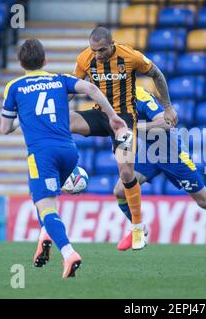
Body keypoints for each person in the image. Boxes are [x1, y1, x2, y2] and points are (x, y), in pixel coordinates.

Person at [1, 38, 127, 278]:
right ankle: (44, 235)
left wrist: (23, 115)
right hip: (69, 152)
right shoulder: (58, 79)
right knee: (43, 200)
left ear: (20, 62)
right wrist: (112, 116)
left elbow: (5, 128)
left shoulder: (14, 87)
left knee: (46, 205)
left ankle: (69, 253)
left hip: (42, 155)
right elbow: (91, 88)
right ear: (45, 60)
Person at [69, 27, 178, 250]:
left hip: (125, 120)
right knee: (63, 120)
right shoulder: (84, 58)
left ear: (112, 44)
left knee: (126, 172)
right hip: (101, 115)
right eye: (94, 50)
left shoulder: (130, 56)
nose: (97, 54)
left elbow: (157, 74)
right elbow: (72, 90)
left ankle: (138, 228)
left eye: (101, 50)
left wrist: (167, 107)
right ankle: (66, 170)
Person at [113, 86, 206, 250]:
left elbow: (167, 123)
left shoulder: (139, 95)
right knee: (119, 190)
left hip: (172, 154)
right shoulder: (112, 100)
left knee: (205, 201)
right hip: (149, 154)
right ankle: (137, 228)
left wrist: (136, 128)